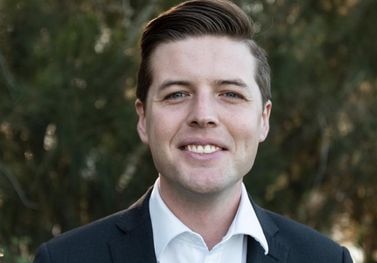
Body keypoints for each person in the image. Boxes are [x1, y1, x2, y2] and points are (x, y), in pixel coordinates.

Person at [34, 0, 353, 262]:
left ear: (263, 119)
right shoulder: (64, 258)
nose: (203, 116)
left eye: (230, 93)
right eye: (177, 94)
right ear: (143, 119)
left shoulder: (325, 258)